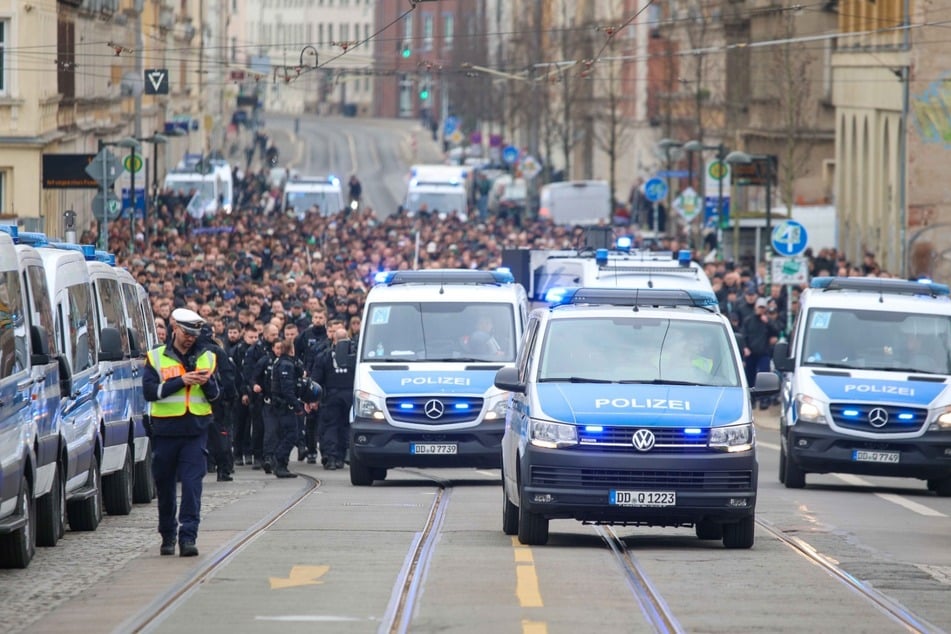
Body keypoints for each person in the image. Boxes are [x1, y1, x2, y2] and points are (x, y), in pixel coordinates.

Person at [143, 308, 221, 558]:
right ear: (174, 327)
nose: (190, 338)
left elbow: (217, 395)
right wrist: (182, 381)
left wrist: (206, 382)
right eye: (186, 332)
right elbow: (150, 392)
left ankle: (188, 537)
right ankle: (168, 534)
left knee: (191, 485)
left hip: (195, 431)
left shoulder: (207, 356)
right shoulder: (155, 357)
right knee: (165, 487)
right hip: (165, 432)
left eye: (194, 334)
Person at [312, 326, 356, 470]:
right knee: (346, 426)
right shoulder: (356, 357)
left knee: (330, 426)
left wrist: (313, 399)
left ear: (334, 340)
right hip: (350, 395)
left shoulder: (324, 356)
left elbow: (316, 380)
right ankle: (343, 456)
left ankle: (331, 457)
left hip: (331, 395)